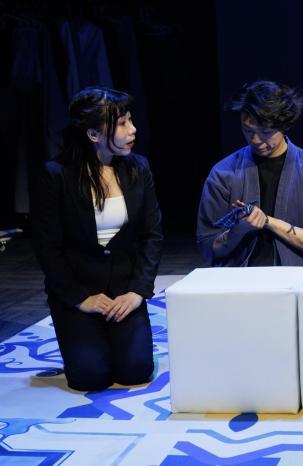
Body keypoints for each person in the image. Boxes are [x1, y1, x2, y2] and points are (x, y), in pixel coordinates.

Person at [32, 86, 163, 391]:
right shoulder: (56, 174)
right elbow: (47, 247)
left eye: (131, 120)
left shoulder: (138, 168)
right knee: (90, 376)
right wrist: (80, 298)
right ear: (94, 134)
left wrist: (137, 291)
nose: (133, 129)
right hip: (78, 290)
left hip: (124, 289)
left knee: (135, 370)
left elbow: (152, 235)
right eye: (122, 123)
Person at [197, 80, 303, 267]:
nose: (255, 140)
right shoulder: (223, 173)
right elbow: (208, 243)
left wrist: (268, 222)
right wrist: (239, 229)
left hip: (296, 276)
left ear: (284, 125)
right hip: (238, 277)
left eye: (265, 132)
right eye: (248, 130)